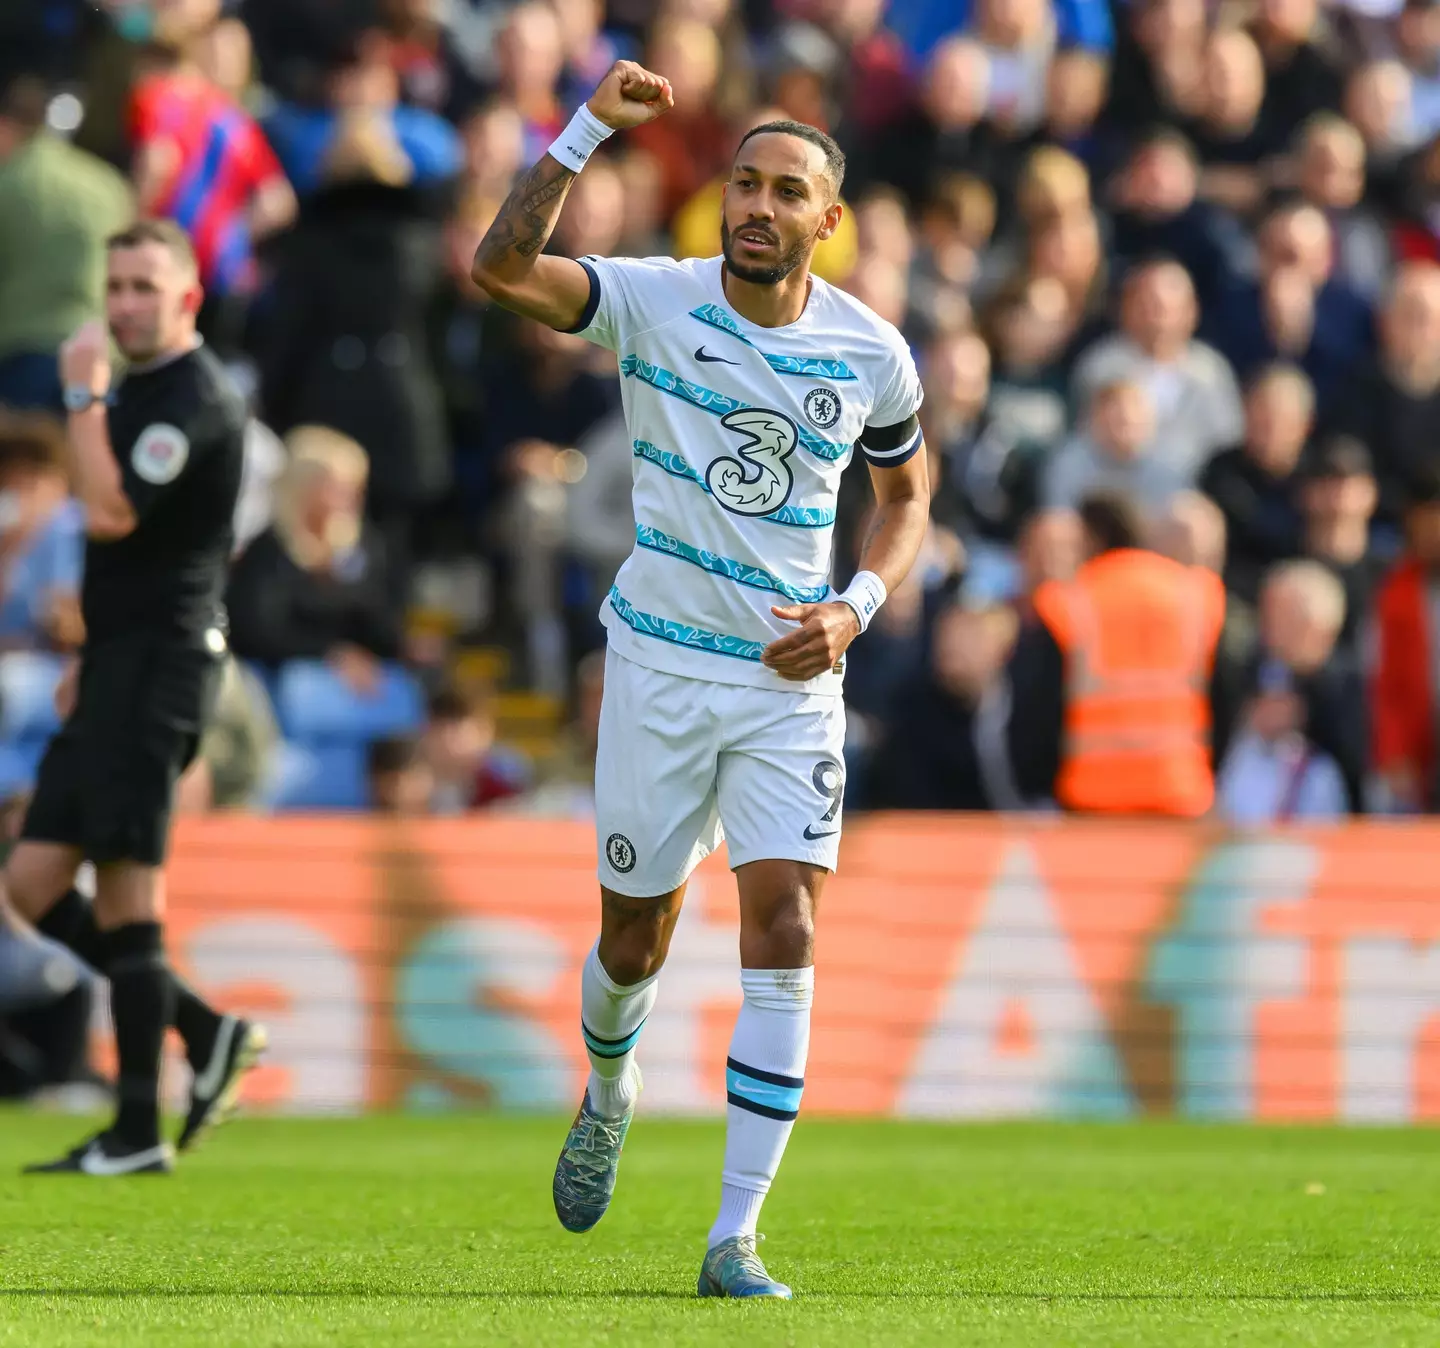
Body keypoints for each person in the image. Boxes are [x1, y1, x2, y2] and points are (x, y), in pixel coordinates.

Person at [469, 64, 930, 1298]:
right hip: (659, 669)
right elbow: (501, 272)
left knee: (786, 929)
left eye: (788, 191)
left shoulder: (872, 354)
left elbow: (907, 499)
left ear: (827, 221)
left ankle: (735, 1237)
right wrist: (581, 136)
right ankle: (611, 1084)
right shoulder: (653, 303)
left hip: (791, 680)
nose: (758, 207)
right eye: (743, 184)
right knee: (636, 940)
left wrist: (854, 608)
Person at [1, 219, 263, 1176]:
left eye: (145, 287)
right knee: (28, 884)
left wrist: (80, 389)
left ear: (188, 296)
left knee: (125, 894)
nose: (124, 305)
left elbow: (111, 511)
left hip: (161, 669)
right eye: (114, 287)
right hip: (119, 660)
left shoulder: (190, 397)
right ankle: (202, 1030)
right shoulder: (144, 392)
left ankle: (135, 1128)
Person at [1004, 492, 1226, 815]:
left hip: (1092, 800)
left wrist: (1038, 786)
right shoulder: (1196, 597)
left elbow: (1036, 709)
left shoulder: (1066, 604)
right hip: (1180, 795)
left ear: (1093, 538)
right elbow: (1222, 697)